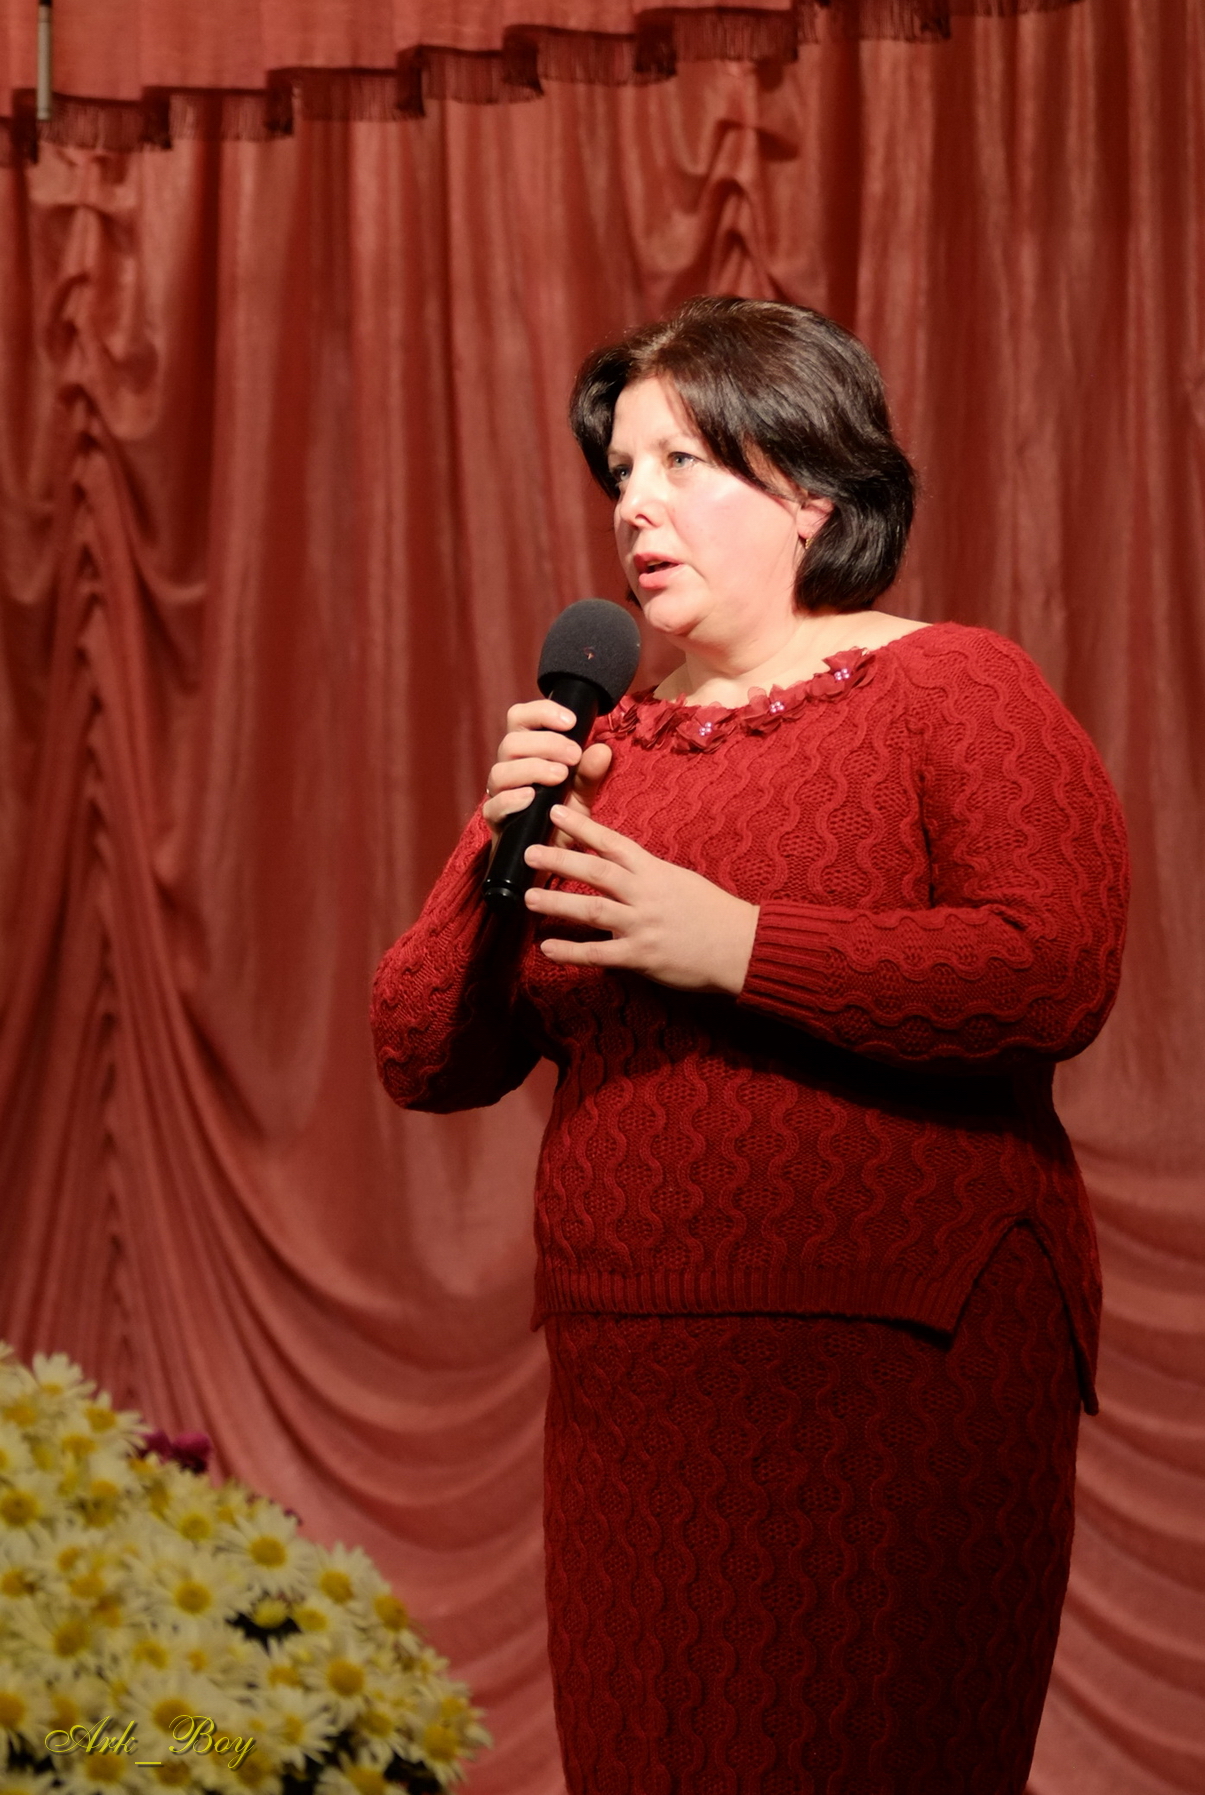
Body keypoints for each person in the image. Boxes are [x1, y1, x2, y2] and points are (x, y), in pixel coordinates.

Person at [371, 296, 1129, 1795]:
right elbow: (420, 1052)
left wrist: (734, 944)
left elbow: (1050, 971)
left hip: (898, 1362)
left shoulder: (952, 685)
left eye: (681, 462)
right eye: (620, 472)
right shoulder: (602, 744)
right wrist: (501, 826)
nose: (632, 504)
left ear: (810, 492)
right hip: (635, 1386)